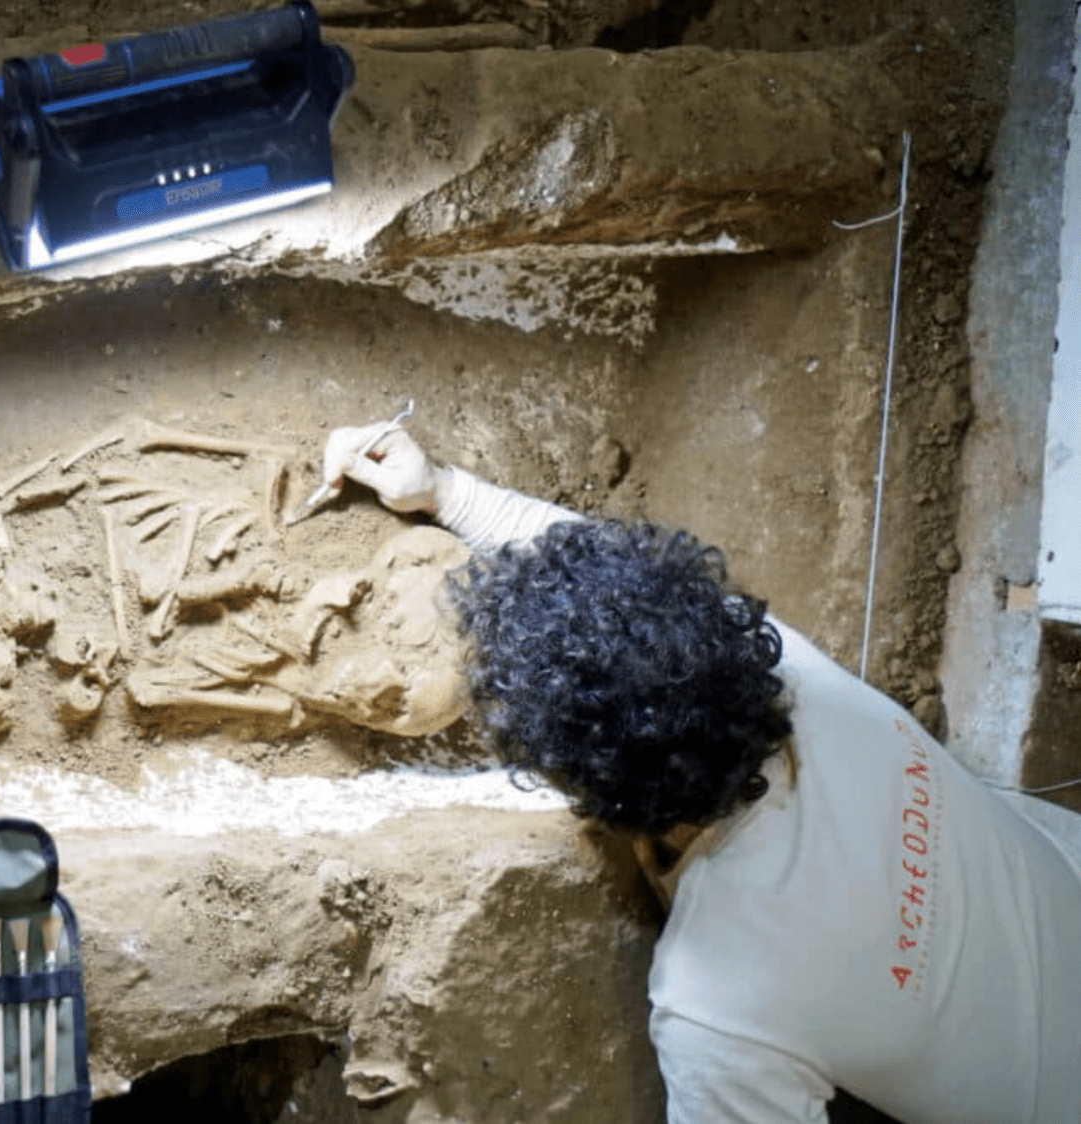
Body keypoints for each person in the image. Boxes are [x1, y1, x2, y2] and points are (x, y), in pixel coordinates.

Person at [319, 421, 1081, 1124]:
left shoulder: (719, 1004)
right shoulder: (790, 674)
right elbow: (611, 587)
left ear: (585, 792)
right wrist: (445, 492)